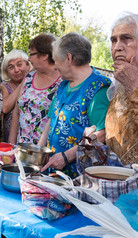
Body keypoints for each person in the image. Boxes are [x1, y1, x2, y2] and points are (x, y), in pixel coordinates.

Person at [38, 33, 111, 178]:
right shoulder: (63, 85)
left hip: (79, 175)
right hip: (54, 169)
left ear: (69, 58)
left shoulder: (98, 89)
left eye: (56, 59)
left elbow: (100, 134)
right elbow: (52, 118)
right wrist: (39, 150)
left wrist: (66, 157)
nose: (54, 66)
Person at [8, 34, 62, 145]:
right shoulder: (28, 77)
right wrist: (11, 145)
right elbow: (16, 113)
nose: (29, 58)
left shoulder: (62, 81)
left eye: (32, 54)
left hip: (45, 152)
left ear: (44, 56)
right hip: (21, 149)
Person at [105, 12, 138, 165]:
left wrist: (134, 86)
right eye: (113, 40)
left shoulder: (131, 81)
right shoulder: (117, 83)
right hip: (118, 181)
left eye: (127, 39)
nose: (117, 47)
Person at [0, 50, 30, 142]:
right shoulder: (4, 86)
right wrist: (23, 82)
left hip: (30, 134)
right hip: (11, 136)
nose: (16, 70)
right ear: (7, 71)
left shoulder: (35, 83)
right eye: (11, 67)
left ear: (28, 65)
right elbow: (5, 108)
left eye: (19, 65)